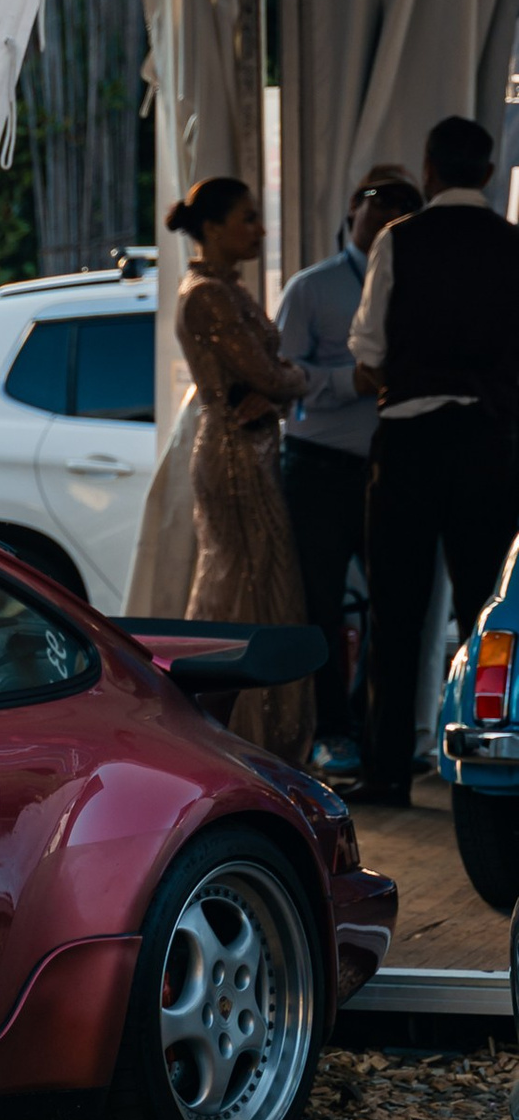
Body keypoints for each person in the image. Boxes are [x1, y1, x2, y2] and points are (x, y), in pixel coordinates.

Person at [349, 111, 519, 807]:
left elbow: (367, 359)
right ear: (487, 172)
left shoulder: (399, 240)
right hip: (491, 445)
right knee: (491, 610)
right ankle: (493, 771)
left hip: (412, 442)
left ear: (428, 169)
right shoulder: (515, 247)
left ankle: (389, 769)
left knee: (397, 610)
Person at [275, 166, 421, 772]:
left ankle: (385, 736)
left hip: (395, 464)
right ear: (351, 212)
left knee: (397, 604)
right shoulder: (312, 288)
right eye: (374, 201)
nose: (386, 213)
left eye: (402, 205)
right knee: (322, 605)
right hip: (319, 465)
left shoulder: (423, 282)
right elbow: (281, 376)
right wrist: (347, 380)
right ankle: (332, 731)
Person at [169, 174, 315, 764]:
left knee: (252, 582)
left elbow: (272, 380)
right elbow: (272, 373)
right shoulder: (207, 294)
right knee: (245, 584)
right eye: (248, 218)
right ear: (211, 227)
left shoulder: (226, 289)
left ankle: (246, 732)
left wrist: (280, 390)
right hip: (234, 452)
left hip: (247, 444)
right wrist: (292, 383)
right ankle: (239, 733)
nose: (259, 228)